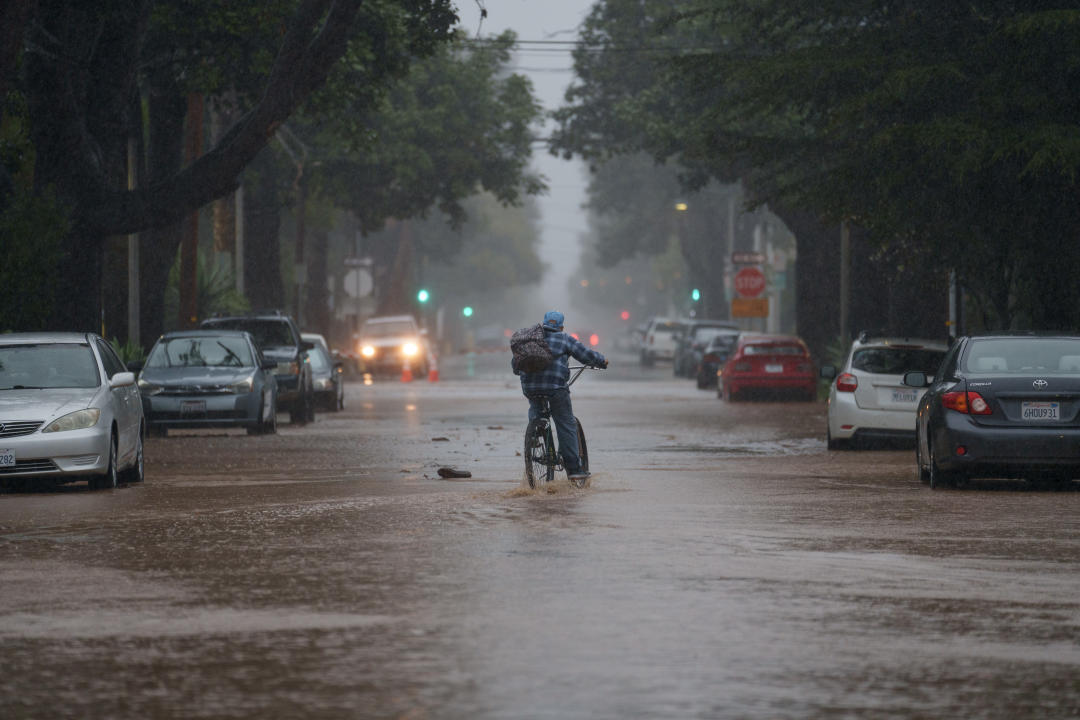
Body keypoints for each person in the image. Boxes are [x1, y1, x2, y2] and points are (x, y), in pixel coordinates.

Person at [512, 310, 608, 480]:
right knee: (566, 423)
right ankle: (574, 469)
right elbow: (586, 355)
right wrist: (602, 361)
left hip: (530, 387)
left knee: (535, 404)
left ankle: (536, 432)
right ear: (561, 326)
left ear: (544, 324)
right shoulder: (564, 338)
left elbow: (515, 366)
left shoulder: (531, 339)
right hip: (555, 388)